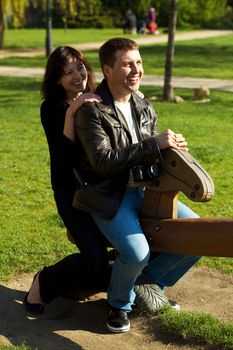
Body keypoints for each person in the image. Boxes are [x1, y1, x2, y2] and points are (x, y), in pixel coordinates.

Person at [72, 38, 200, 333]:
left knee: (195, 235)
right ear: (108, 69)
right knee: (136, 253)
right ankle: (119, 303)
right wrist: (153, 144)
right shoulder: (92, 110)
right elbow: (103, 161)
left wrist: (171, 147)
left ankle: (147, 282)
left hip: (149, 189)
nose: (136, 69)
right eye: (128, 64)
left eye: (139, 62)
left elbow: (153, 150)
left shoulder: (143, 104)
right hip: (109, 195)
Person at [24, 46, 113, 314]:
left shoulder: (99, 98)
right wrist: (73, 110)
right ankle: (44, 282)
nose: (77, 76)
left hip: (104, 189)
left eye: (80, 67)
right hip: (71, 192)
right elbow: (63, 157)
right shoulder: (51, 108)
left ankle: (79, 284)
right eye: (68, 72)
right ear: (57, 79)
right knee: (95, 258)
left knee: (117, 251)